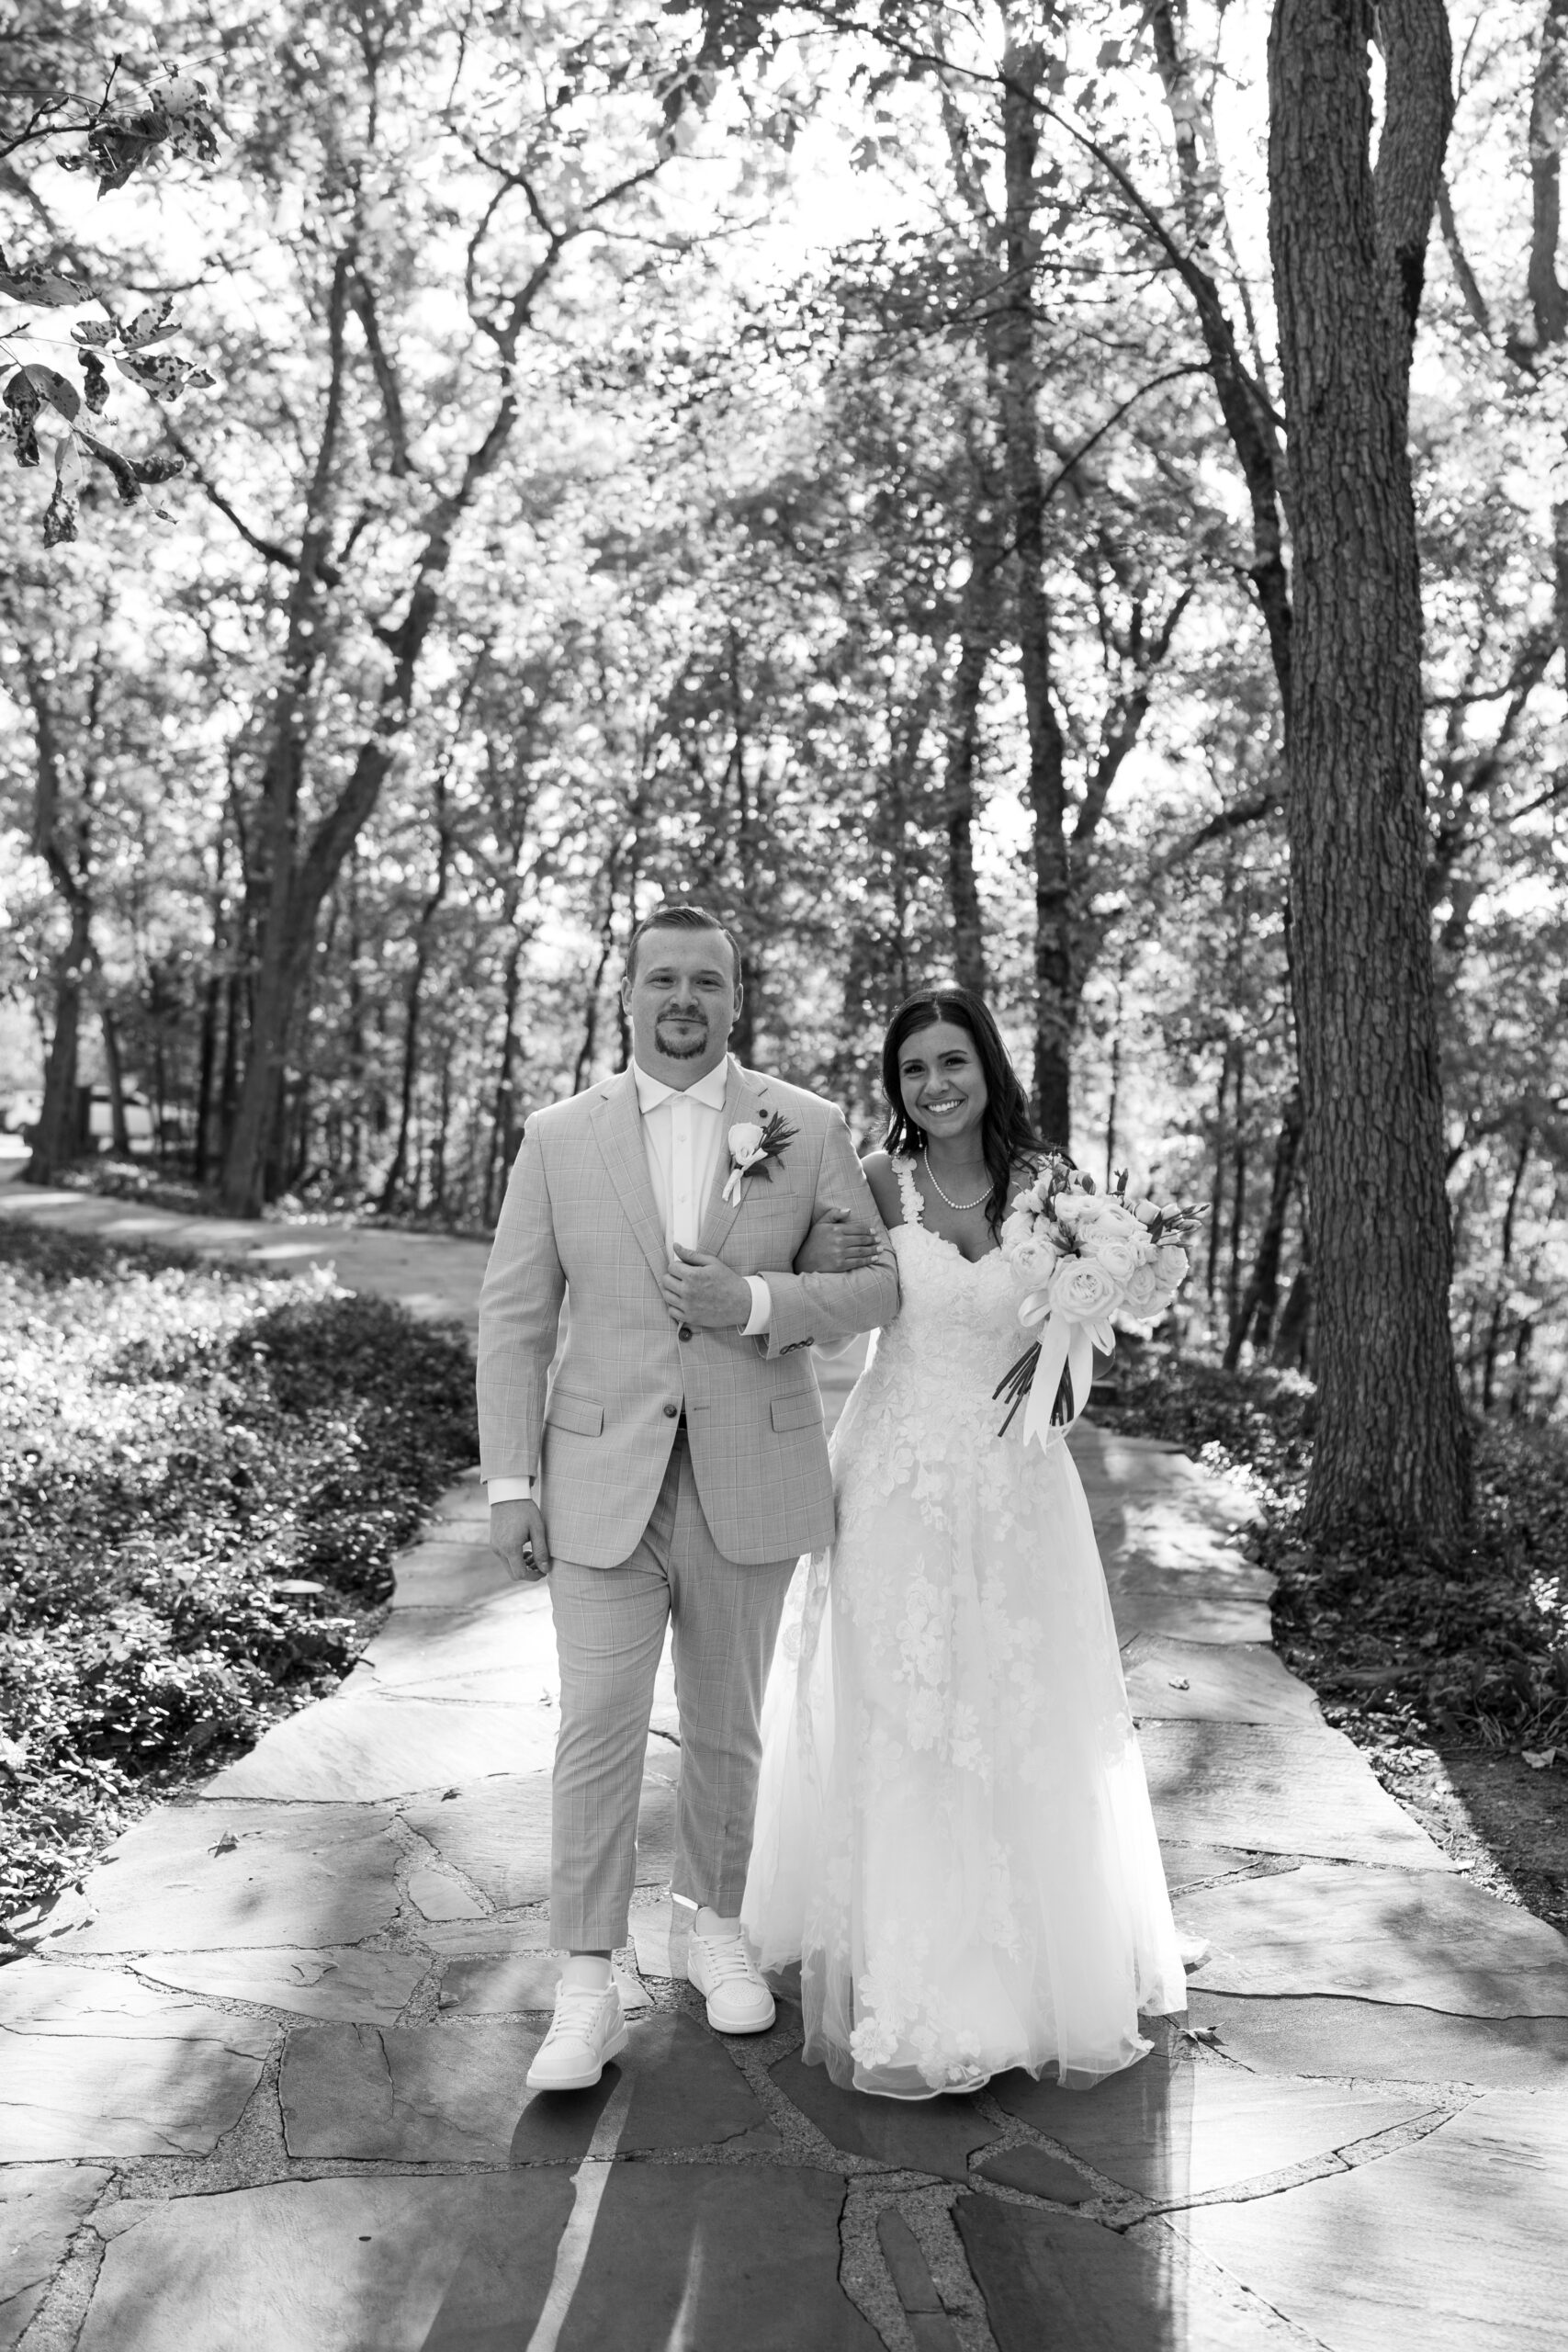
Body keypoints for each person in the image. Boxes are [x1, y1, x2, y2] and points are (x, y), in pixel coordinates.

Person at [478, 902, 898, 2092]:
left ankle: (712, 1922)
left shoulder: (802, 1127)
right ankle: (583, 1978)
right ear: (626, 997)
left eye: (704, 982)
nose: (682, 1000)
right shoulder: (559, 1137)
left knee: (728, 1723)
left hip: (748, 1475)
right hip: (598, 1477)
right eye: (661, 979)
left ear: (732, 998)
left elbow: (871, 1285)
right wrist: (510, 1483)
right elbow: (513, 1317)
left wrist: (755, 1306)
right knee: (595, 1730)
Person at [743, 986, 1187, 2098]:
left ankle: (1033, 1967)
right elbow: (827, 1287)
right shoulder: (877, 1180)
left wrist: (1066, 1371)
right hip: (894, 1474)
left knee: (1016, 1708)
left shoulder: (1054, 1185)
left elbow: (1081, 1329)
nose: (935, 1085)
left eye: (952, 1061)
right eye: (912, 1070)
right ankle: (913, 1974)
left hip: (1016, 1482)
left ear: (987, 1064)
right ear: (893, 1087)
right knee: (905, 1714)